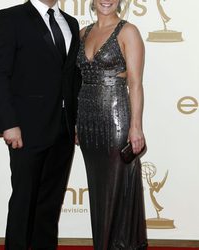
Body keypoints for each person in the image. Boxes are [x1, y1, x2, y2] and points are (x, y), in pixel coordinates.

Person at [0, 0, 81, 249]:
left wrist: (75, 121)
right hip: (26, 129)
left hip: (63, 127)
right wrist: (8, 123)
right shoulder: (10, 18)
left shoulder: (71, 23)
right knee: (23, 202)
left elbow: (72, 77)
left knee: (50, 205)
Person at [76, 0, 147, 249]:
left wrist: (135, 126)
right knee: (98, 188)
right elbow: (76, 81)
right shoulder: (83, 33)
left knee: (115, 187)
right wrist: (75, 121)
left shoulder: (128, 31)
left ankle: (116, 244)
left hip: (116, 118)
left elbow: (135, 84)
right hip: (86, 122)